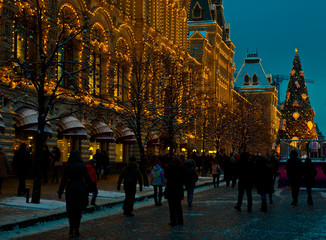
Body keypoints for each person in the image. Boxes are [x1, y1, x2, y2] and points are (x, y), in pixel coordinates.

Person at [58, 150, 95, 238]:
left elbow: (63, 180)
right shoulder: (82, 166)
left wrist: (60, 191)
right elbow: (88, 178)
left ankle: (71, 229)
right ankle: (77, 229)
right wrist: (92, 188)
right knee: (78, 210)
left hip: (70, 188)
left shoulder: (68, 166)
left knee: (71, 210)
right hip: (80, 188)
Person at [164, 157, 185, 226]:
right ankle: (180, 220)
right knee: (178, 206)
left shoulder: (169, 168)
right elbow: (183, 179)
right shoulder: (181, 168)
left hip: (171, 189)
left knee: (171, 207)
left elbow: (166, 176)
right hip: (178, 189)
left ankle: (173, 221)